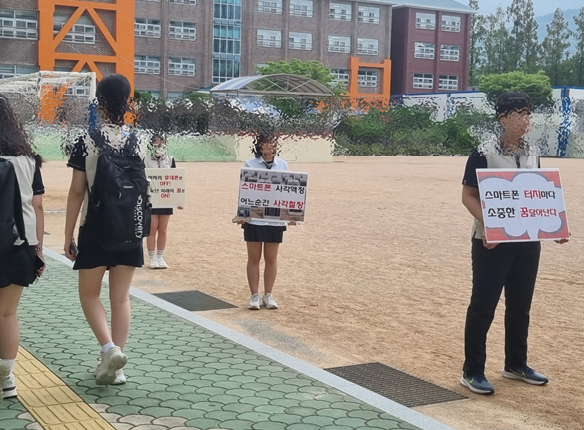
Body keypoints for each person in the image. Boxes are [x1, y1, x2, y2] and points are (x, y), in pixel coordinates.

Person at [459, 91, 569, 395]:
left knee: (521, 306)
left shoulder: (532, 152)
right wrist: (490, 226)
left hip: (528, 240)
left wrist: (555, 225)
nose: (525, 120)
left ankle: (516, 363)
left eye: (528, 114)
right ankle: (472, 370)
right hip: (491, 242)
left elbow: (538, 194)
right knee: (483, 306)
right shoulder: (483, 152)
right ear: (502, 118)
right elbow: (468, 196)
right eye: (518, 114)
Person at [64, 74, 146, 386]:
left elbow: (77, 192)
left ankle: (109, 349)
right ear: (128, 101)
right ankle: (117, 366)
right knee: (121, 298)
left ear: (98, 102)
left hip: (96, 226)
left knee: (89, 294)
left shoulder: (87, 139)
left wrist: (68, 234)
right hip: (130, 227)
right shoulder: (138, 139)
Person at [0, 95, 45, 401]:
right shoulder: (28, 161)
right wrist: (39, 251)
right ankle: (7, 379)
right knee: (7, 313)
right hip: (21, 244)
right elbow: (37, 206)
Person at [237, 131, 296, 310]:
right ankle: (254, 295)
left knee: (271, 258)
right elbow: (245, 190)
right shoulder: (250, 163)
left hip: (275, 219)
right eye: (265, 143)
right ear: (259, 145)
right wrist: (242, 214)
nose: (269, 147)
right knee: (254, 258)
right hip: (255, 219)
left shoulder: (283, 165)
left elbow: (288, 191)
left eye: (272, 143)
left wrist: (292, 214)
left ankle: (268, 295)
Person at [144, 135, 183, 269]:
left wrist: (178, 199)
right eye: (155, 144)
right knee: (152, 228)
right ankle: (152, 257)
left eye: (160, 144)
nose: (158, 146)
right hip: (151, 199)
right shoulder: (145, 160)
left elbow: (176, 179)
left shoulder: (170, 159)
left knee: (163, 229)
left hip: (166, 198)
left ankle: (160, 256)